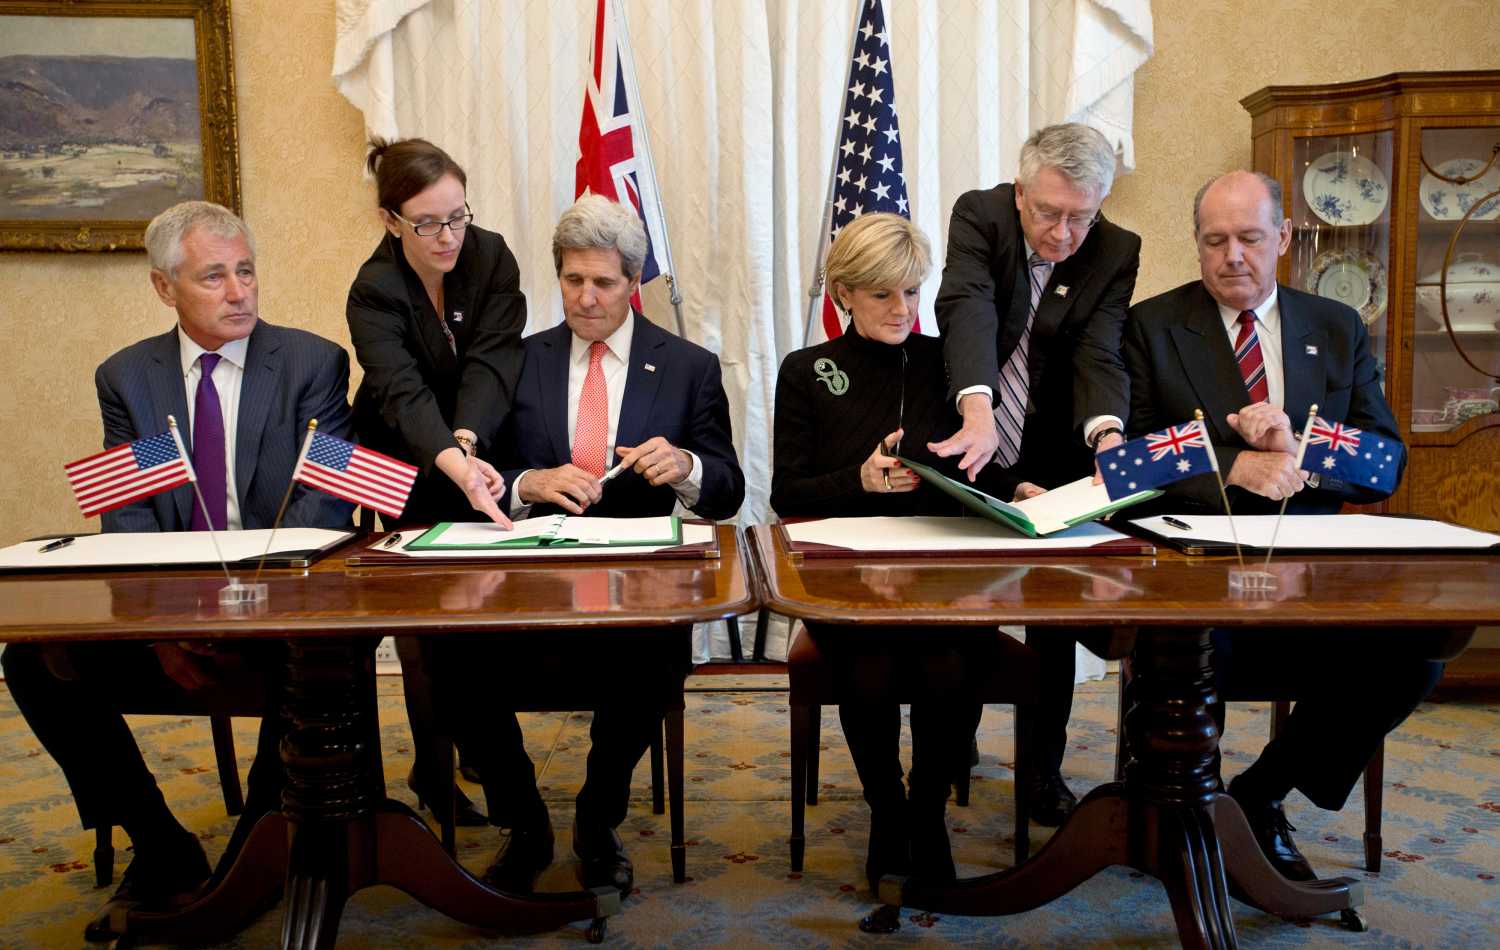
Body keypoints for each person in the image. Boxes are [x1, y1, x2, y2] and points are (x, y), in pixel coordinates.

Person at [1, 201, 354, 938]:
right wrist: (164, 630)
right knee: (34, 663)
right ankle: (161, 846)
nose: (240, 293)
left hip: (278, 610)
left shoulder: (312, 364)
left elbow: (322, 509)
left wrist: (247, 618)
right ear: (165, 289)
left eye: (247, 271)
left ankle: (258, 858)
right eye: (214, 277)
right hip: (178, 616)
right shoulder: (131, 380)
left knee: (310, 659)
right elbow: (131, 523)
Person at [1123, 169, 1443, 880]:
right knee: (1182, 660)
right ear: (1197, 245)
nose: (1232, 256)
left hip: (1312, 579)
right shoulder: (1151, 325)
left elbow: (1383, 464)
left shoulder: (1335, 326)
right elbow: (1130, 466)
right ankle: (1172, 812)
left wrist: (1298, 447)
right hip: (1198, 575)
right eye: (1215, 241)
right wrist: (1232, 466)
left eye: (1249, 238)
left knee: (1420, 645)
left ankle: (1260, 796)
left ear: (1285, 238)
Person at [449, 193, 744, 898]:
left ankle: (595, 819)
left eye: (603, 282)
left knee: (654, 659)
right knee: (450, 654)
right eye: (572, 279)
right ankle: (524, 824)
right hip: (528, 581)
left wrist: (688, 468)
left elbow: (730, 487)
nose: (585, 297)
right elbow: (474, 467)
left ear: (633, 282)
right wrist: (525, 483)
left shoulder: (687, 368)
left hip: (635, 591)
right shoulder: (515, 362)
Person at [771, 212, 1030, 892]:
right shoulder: (806, 371)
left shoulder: (950, 362)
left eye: (913, 292)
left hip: (942, 571)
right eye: (885, 293)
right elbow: (786, 491)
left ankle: (924, 809)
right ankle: (888, 809)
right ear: (846, 294)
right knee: (872, 666)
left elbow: (976, 470)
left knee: (952, 660)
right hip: (847, 578)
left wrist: (1021, 487)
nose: (902, 308)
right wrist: (854, 480)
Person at [928, 122, 1142, 826]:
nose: (1064, 233)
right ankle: (947, 750)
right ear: (1021, 193)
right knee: (961, 607)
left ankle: (1041, 772)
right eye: (1049, 212)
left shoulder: (1116, 250)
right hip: (972, 428)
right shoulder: (980, 216)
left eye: (1082, 215)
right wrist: (977, 405)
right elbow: (967, 307)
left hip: (1052, 447)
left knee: (1052, 619)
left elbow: (1099, 351)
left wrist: (1107, 432)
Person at [345, 137, 528, 828]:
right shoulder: (374, 288)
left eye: (457, 215)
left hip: (473, 439)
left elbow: (492, 360)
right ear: (391, 221)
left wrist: (469, 443)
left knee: (479, 609)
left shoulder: (492, 255)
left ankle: (476, 737)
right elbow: (399, 392)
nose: (448, 235)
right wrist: (450, 458)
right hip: (399, 455)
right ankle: (432, 765)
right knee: (423, 626)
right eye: (428, 223)